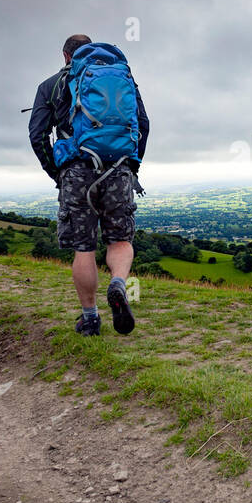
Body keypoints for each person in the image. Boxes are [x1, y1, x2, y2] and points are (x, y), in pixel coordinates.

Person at [28, 34, 150, 336]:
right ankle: (118, 283)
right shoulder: (123, 79)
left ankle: (90, 318)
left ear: (66, 56)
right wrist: (132, 166)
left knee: (83, 248)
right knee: (120, 240)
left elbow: (37, 135)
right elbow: (143, 125)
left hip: (76, 171)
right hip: (119, 168)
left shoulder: (51, 86)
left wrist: (57, 173)